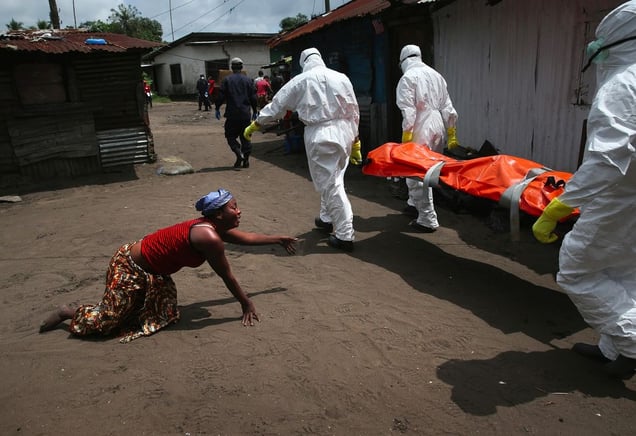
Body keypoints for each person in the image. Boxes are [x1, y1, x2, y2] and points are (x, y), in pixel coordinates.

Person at [39, 189, 298, 343]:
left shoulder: (213, 227)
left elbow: (248, 238)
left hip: (155, 272)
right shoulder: (208, 237)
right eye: (234, 208)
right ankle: (68, 312)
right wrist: (246, 302)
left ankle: (132, 306)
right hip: (129, 266)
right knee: (107, 322)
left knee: (160, 315)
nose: (239, 211)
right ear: (218, 214)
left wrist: (278, 238)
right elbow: (226, 275)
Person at [532, 1, 636, 379]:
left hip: (618, 197)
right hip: (629, 196)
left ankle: (632, 342)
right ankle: (615, 349)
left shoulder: (623, 85)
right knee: (624, 272)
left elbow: (607, 161)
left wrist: (561, 204)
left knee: (576, 270)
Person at [243, 47, 362, 252]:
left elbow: (277, 105)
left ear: (303, 62)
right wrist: (356, 140)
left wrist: (257, 123)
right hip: (345, 132)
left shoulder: (301, 80)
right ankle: (326, 218)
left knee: (331, 184)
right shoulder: (342, 78)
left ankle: (345, 235)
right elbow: (354, 109)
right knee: (334, 178)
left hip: (321, 135)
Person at [396, 44, 459, 233]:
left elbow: (408, 111)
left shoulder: (408, 78)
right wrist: (451, 133)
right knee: (428, 170)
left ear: (404, 60)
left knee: (417, 173)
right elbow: (448, 107)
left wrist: (407, 137)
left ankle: (427, 218)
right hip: (438, 125)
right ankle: (413, 204)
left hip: (420, 126)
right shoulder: (436, 75)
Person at [215, 58, 258, 168]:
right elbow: (253, 97)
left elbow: (220, 96)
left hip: (232, 115)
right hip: (245, 114)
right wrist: (255, 110)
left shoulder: (227, 80)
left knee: (230, 135)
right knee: (246, 136)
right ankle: (246, 160)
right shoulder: (248, 80)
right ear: (241, 67)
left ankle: (238, 152)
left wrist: (217, 108)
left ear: (232, 68)